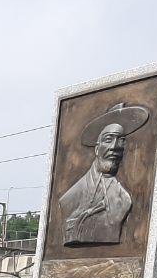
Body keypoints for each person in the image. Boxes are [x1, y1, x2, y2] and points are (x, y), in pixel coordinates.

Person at [59, 101, 150, 246]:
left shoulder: (124, 198)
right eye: (108, 140)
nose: (114, 147)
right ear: (97, 149)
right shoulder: (70, 198)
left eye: (121, 141)